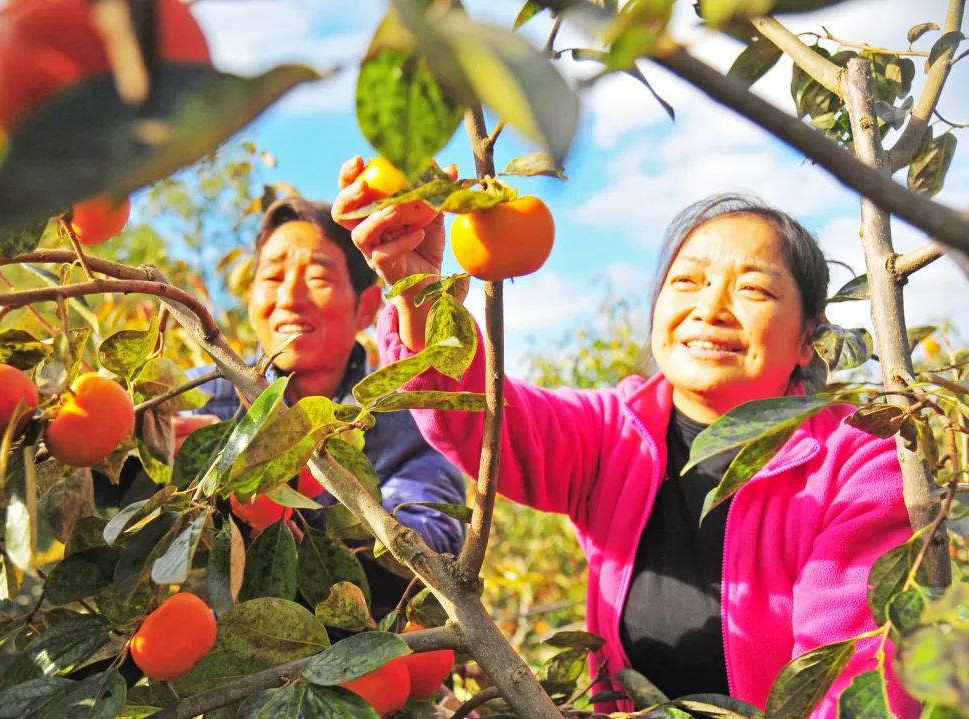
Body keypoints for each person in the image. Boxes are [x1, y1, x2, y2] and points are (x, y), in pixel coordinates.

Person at [332, 161, 916, 717]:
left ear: (809, 337)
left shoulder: (860, 463)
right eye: (687, 281)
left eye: (755, 290)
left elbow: (857, 673)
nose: (710, 308)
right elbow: (476, 419)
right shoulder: (616, 436)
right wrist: (420, 292)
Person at [176, 197, 466, 616]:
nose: (290, 297)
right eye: (272, 277)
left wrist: (293, 499)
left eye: (316, 276)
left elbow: (432, 539)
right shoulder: (207, 396)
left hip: (362, 665)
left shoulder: (403, 419)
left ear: (366, 307)